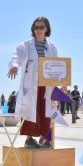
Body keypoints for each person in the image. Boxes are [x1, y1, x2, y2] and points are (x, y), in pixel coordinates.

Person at [7, 16, 58, 148]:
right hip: (30, 85)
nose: (38, 30)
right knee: (31, 111)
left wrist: (62, 84)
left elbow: (57, 65)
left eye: (41, 27)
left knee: (46, 112)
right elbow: (17, 55)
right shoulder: (26, 45)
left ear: (46, 29)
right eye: (36, 27)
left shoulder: (52, 47)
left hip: (46, 85)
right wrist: (14, 65)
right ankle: (29, 139)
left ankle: (45, 139)